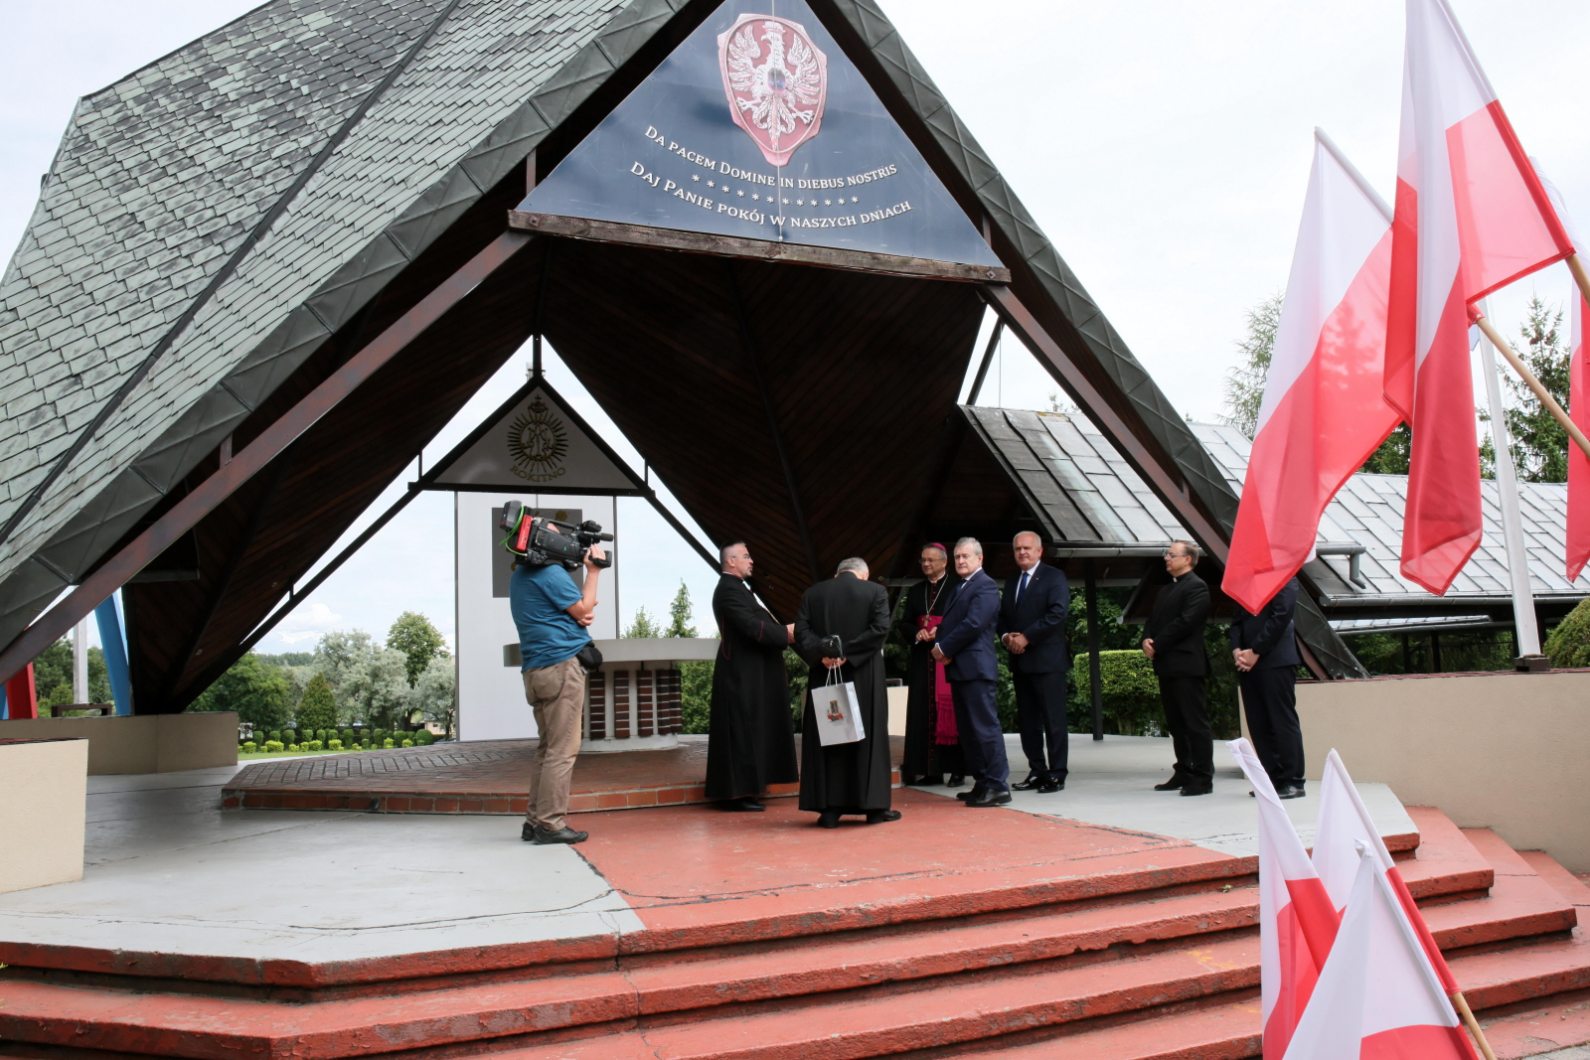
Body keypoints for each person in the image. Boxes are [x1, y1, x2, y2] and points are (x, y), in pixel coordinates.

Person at [509, 527, 605, 845]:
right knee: (563, 751)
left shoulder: (520, 575)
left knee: (547, 749)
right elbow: (584, 609)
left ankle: (534, 820)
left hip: (536, 670)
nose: (562, 539)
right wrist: (593, 572)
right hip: (560, 668)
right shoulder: (550, 573)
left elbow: (575, 611)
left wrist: (578, 612)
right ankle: (550, 824)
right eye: (554, 534)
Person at [794, 557, 897, 828]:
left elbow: (801, 631)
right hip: (864, 674)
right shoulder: (875, 591)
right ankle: (874, 808)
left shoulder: (813, 593)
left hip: (824, 673)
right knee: (867, 737)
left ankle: (830, 810)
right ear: (863, 574)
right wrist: (846, 653)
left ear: (837, 573)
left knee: (830, 737)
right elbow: (880, 629)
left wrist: (824, 653)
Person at [705, 541, 797, 811]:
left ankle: (751, 788)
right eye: (746, 556)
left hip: (751, 672)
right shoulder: (727, 590)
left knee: (752, 728)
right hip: (740, 674)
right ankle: (738, 793)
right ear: (731, 561)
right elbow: (751, 626)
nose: (751, 560)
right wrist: (785, 634)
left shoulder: (738, 589)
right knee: (741, 730)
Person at [932, 537, 1010, 807]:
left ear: (980, 558)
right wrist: (940, 643)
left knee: (984, 727)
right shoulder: (960, 587)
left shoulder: (985, 585)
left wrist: (944, 647)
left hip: (976, 668)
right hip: (960, 668)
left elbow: (974, 623)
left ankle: (998, 785)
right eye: (957, 557)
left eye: (966, 556)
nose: (961, 561)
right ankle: (982, 781)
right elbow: (950, 623)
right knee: (968, 731)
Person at [998, 531, 1071, 793]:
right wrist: (1006, 637)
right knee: (1028, 722)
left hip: (1048, 662)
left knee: (1053, 720)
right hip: (1020, 661)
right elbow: (1002, 616)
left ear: (1039, 551)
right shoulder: (1012, 580)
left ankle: (1057, 773)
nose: (1022, 552)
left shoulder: (1054, 577)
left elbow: (1057, 613)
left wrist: (1027, 637)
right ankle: (1037, 771)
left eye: (1027, 548)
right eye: (1018, 549)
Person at [1143, 539, 1213, 796]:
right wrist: (1146, 639)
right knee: (1176, 723)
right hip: (1167, 664)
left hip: (1187, 664)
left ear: (1188, 559)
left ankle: (1203, 777)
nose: (1166, 558)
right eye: (1167, 554)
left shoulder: (1197, 587)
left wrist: (1158, 643)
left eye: (1171, 554)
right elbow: (1152, 620)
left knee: (1194, 723)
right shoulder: (1165, 590)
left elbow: (1186, 622)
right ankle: (1183, 770)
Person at [1231, 576, 1305, 799]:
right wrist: (1237, 649)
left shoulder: (1284, 577)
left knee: (1281, 720)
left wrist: (1256, 650)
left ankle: (1293, 781)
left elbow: (1281, 615)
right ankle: (1272, 779)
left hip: (1276, 660)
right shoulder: (1247, 582)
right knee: (1258, 724)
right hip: (1247, 663)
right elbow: (1236, 621)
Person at [898, 543, 964, 786]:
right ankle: (930, 770)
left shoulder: (958, 587)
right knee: (923, 713)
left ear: (944, 562)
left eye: (931, 560)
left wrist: (941, 630)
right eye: (923, 560)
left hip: (948, 658)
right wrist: (917, 632)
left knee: (952, 713)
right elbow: (904, 623)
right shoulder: (917, 590)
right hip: (921, 660)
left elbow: (966, 620)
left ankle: (957, 770)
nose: (926, 564)